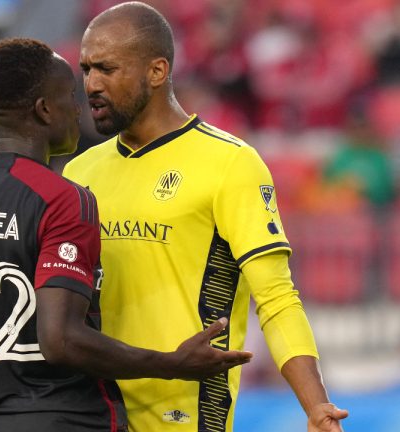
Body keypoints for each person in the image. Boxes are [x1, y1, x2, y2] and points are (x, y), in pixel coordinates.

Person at [0, 37, 252, 432]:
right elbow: (60, 339)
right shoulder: (63, 199)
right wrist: (170, 364)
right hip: (66, 419)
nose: (80, 107)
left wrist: (1, 389)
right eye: (69, 95)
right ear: (43, 110)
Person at [62, 2, 348, 431]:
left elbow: (275, 298)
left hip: (185, 415)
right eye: (86, 70)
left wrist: (315, 404)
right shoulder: (78, 172)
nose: (91, 84)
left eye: (106, 69)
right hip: (92, 415)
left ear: (157, 72)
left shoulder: (229, 162)